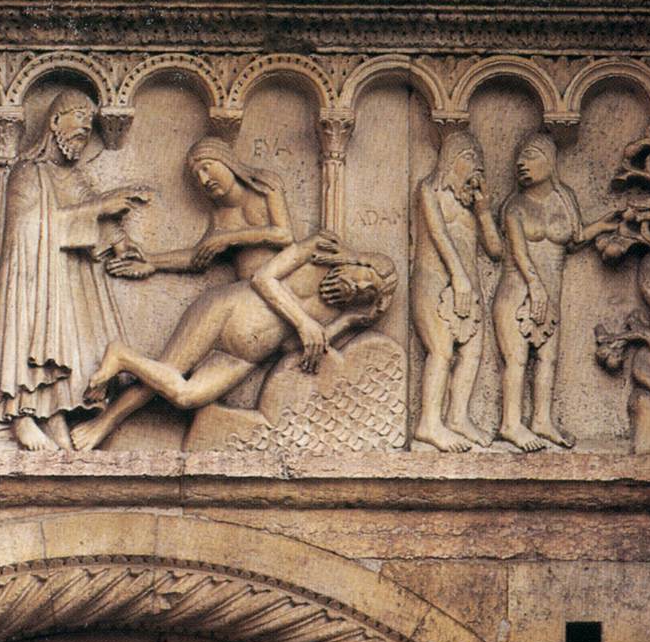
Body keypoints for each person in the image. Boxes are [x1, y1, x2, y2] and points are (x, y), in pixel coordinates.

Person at [71, 234, 396, 449]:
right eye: (365, 279)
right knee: (168, 369)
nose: (358, 288)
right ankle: (104, 423)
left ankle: (124, 358)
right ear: (360, 262)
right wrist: (303, 322)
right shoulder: (319, 250)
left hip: (245, 357)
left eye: (367, 293)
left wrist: (347, 322)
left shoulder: (333, 315)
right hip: (227, 311)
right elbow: (263, 278)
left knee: (185, 395)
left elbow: (290, 351)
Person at [0, 90, 152, 450]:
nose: (85, 126)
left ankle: (53, 417)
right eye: (77, 116)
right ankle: (20, 416)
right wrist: (98, 209)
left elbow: (93, 212)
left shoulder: (74, 177)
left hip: (68, 284)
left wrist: (120, 241)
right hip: (31, 279)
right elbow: (25, 226)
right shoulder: (28, 171)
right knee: (31, 341)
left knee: (65, 350)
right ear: (54, 121)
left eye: (89, 121)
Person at [494, 131, 617, 451]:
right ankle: (511, 424)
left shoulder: (565, 199)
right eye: (519, 158)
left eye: (531, 155)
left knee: (548, 358)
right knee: (517, 358)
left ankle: (542, 421)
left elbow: (575, 238)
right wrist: (535, 288)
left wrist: (604, 225)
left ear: (550, 162)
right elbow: (518, 254)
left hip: (551, 293)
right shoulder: (515, 206)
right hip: (517, 290)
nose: (522, 163)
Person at [411, 130, 503, 452]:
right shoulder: (430, 190)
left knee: (473, 352)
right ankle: (428, 424)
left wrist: (484, 211)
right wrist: (458, 276)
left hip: (469, 287)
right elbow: (439, 235)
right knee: (441, 350)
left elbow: (495, 250)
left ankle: (458, 417)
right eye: (469, 157)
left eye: (478, 159)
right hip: (434, 281)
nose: (476, 165)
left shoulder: (471, 203)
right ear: (450, 160)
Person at [106, 136, 293, 282]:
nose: (204, 180)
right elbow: (197, 257)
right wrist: (151, 261)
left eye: (206, 168)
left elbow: (284, 235)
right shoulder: (220, 217)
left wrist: (228, 238)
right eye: (197, 177)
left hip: (280, 277)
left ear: (226, 161)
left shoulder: (264, 185)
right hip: (248, 286)